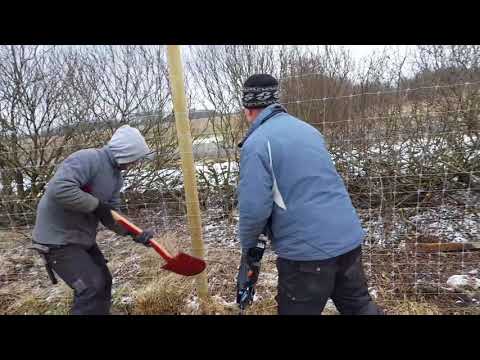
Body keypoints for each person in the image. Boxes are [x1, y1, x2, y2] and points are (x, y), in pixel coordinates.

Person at [236, 74, 383, 315]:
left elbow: (254, 210)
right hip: (347, 239)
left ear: (248, 109)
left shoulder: (257, 143)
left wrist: (249, 249)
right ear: (275, 101)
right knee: (359, 306)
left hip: (306, 254)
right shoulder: (309, 131)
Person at [32, 125, 155, 315]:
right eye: (135, 158)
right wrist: (97, 205)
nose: (136, 164)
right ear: (126, 151)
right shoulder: (88, 158)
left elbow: (110, 214)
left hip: (80, 238)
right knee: (90, 288)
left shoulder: (116, 177)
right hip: (57, 239)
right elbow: (60, 189)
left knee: (104, 282)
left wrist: (134, 232)